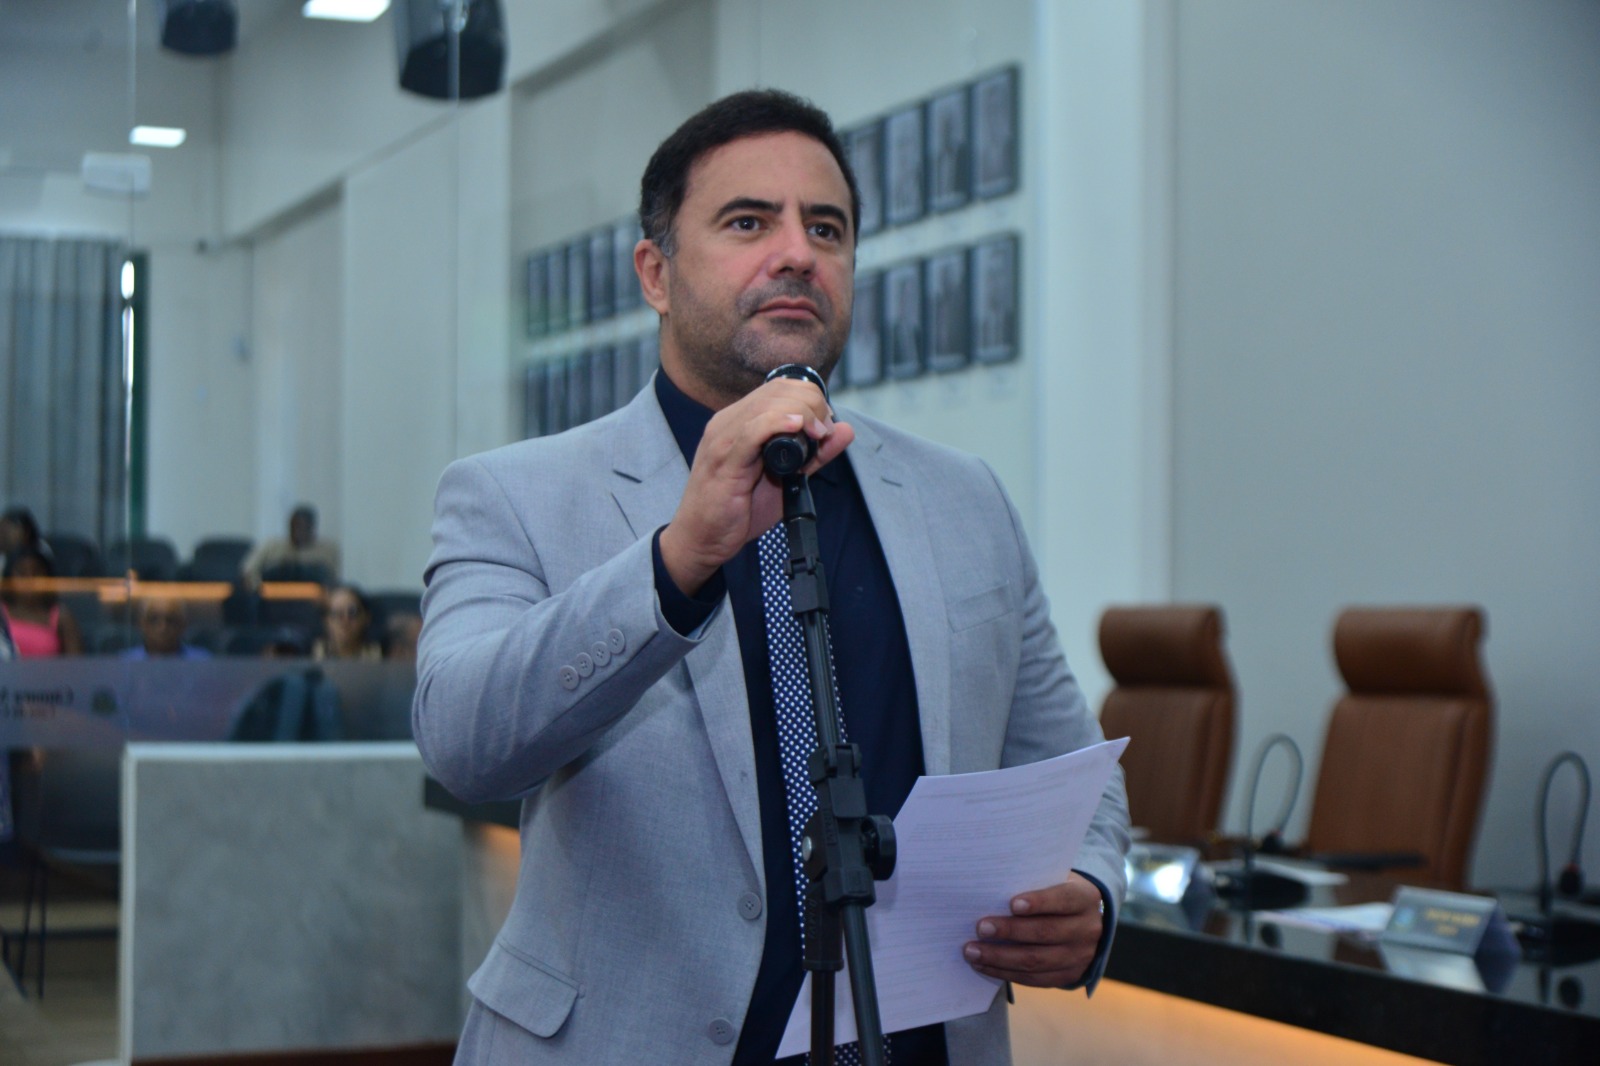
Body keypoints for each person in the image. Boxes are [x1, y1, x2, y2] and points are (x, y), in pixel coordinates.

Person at [413, 90, 1129, 1066]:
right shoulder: (514, 493)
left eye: (825, 228)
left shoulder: (966, 500)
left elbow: (1071, 769)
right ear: (656, 273)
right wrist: (674, 562)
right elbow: (462, 744)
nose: (796, 252)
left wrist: (1091, 890)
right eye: (749, 222)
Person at [0, 548, 84, 656]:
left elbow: (76, 662)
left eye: (36, 573)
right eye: (22, 573)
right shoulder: (1, 613)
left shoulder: (61, 617)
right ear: (10, 579)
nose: (30, 579)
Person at [239, 504, 341, 588]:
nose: (297, 532)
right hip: (273, 598)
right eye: (294, 527)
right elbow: (249, 571)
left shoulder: (327, 551)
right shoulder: (271, 547)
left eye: (302, 528)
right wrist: (259, 588)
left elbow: (332, 580)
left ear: (312, 528)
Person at [119, 596, 212, 660]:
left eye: (170, 620)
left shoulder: (201, 661)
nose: (163, 627)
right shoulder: (126, 662)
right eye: (154, 619)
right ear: (143, 624)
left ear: (182, 625)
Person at [312, 584, 381, 661]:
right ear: (326, 621)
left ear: (366, 618)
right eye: (337, 613)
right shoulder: (310, 654)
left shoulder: (381, 655)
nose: (345, 620)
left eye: (352, 613)